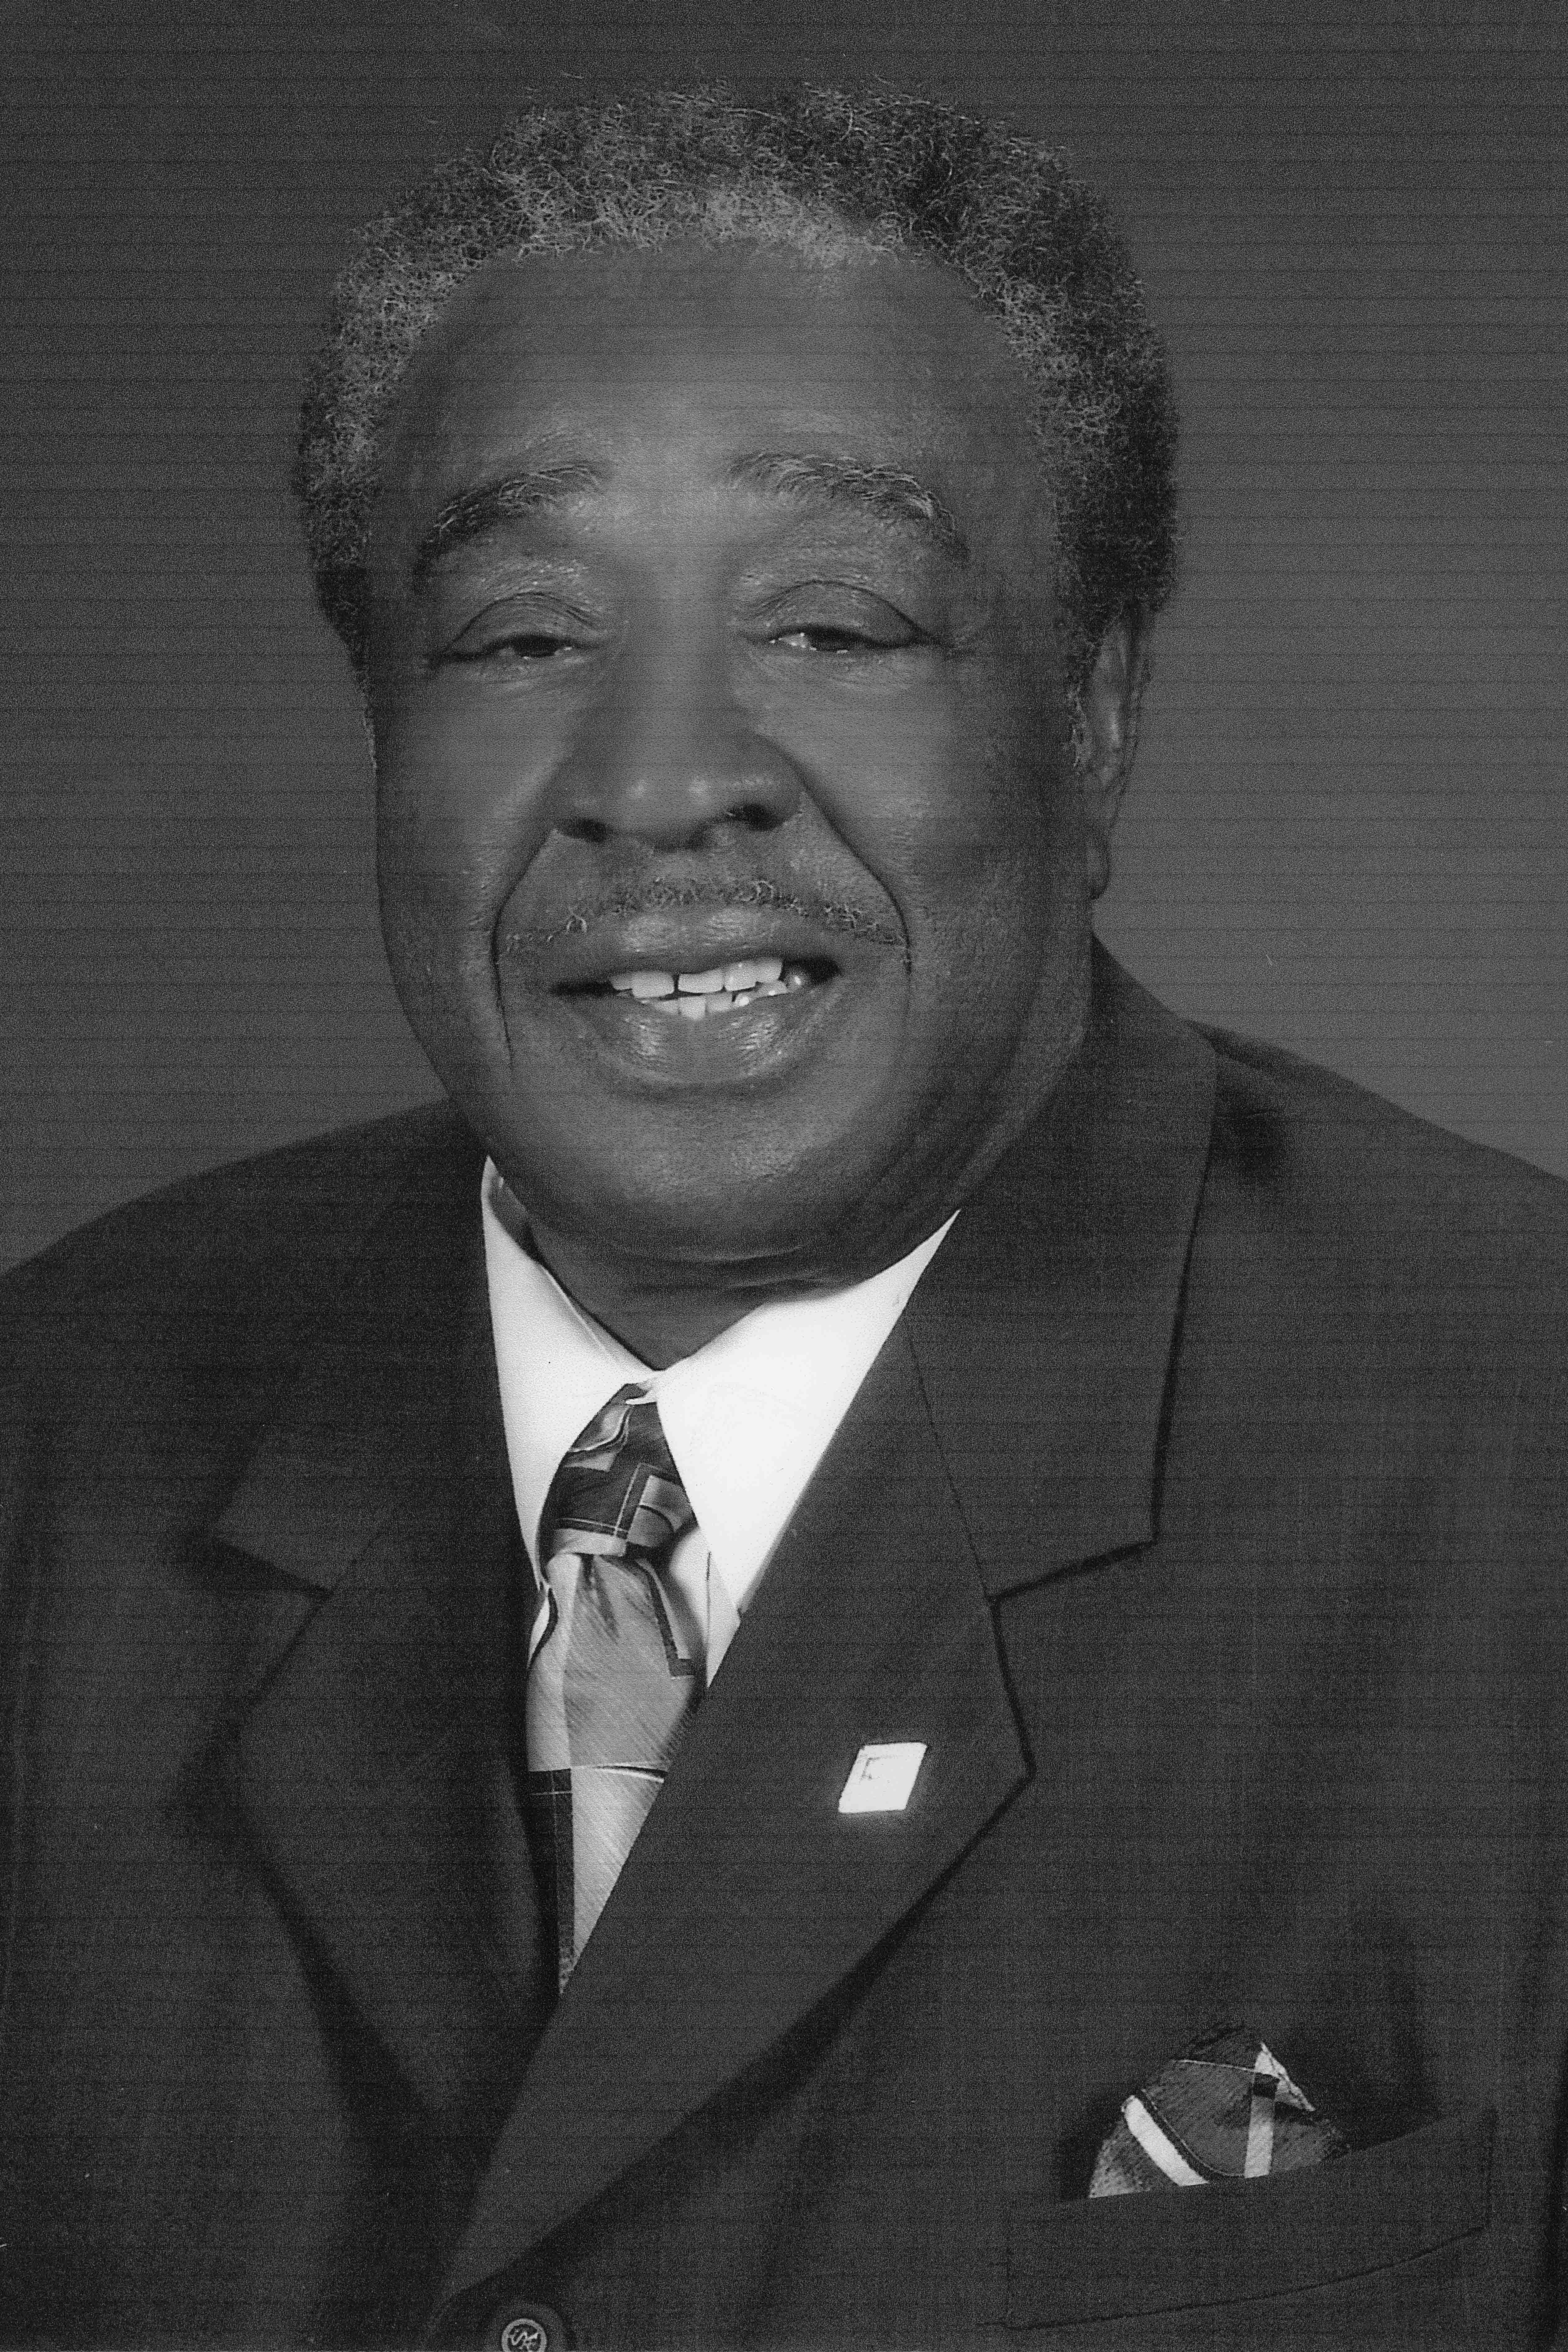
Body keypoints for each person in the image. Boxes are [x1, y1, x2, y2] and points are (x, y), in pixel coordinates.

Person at [0, 82, 1563, 2352]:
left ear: (1095, 714)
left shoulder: (1520, 1469)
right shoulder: (56, 1445)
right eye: (519, 637)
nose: (659, 781)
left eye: (835, 624)